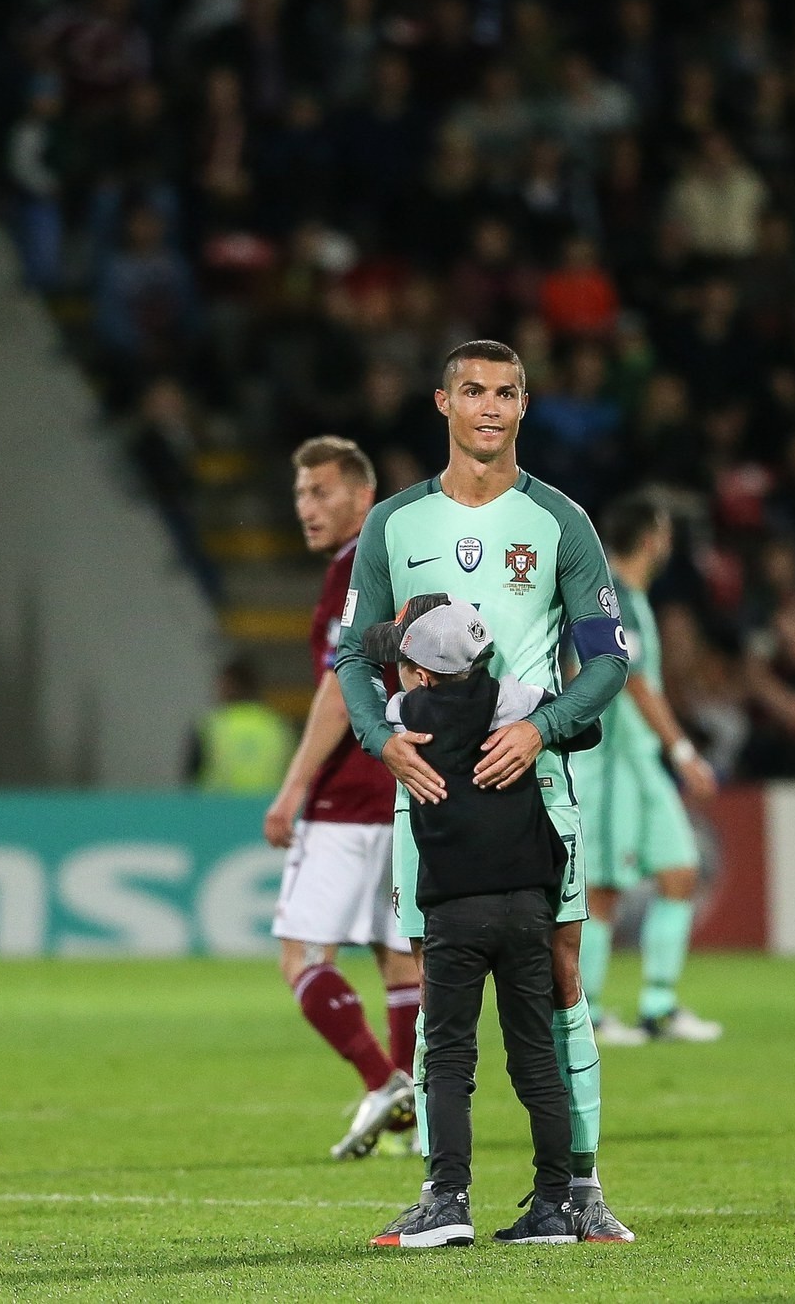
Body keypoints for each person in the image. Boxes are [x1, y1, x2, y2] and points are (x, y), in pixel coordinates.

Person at [335, 339, 636, 1243]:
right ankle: (445, 1192)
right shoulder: (393, 524)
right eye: (474, 391)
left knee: (564, 974)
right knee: (436, 984)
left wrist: (538, 727)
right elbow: (354, 653)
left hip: (532, 781)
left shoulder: (560, 521)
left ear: (524, 404)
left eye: (506, 392)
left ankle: (578, 1189)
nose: (491, 407)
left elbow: (610, 658)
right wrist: (381, 737)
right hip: (427, 788)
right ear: (442, 403)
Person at [365, 596, 594, 1248]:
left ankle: (448, 1203)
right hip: (527, 904)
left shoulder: (405, 713)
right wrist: (533, 722)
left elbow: (380, 707)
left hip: (457, 911)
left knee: (449, 1057)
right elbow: (584, 726)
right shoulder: (515, 701)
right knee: (534, 1057)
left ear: (425, 672)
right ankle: (554, 1206)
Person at [261, 436, 420, 1160]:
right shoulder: (401, 562)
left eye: (322, 491)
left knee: (301, 954)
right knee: (401, 957)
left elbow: (337, 682)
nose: (307, 506)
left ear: (364, 495)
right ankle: (415, 1114)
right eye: (300, 493)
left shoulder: (349, 569)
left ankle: (381, 1079)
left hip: (347, 791)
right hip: (405, 782)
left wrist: (294, 786)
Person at [577, 492, 722, 1046]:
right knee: (604, 889)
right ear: (650, 537)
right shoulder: (615, 597)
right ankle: (585, 1013)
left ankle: (659, 1006)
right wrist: (683, 752)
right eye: (664, 531)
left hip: (640, 762)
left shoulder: (632, 597)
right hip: (614, 761)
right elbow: (632, 682)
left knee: (680, 873)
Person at [190, 656, 291, 793]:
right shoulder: (278, 727)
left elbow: (190, 782)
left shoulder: (210, 727)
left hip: (217, 811)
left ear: (227, 685)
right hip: (266, 809)